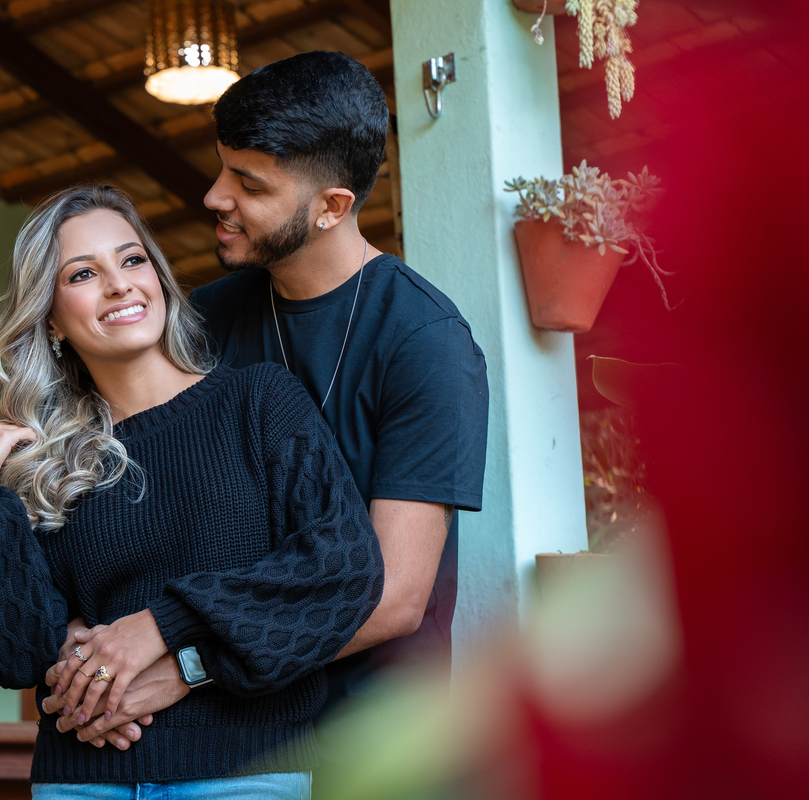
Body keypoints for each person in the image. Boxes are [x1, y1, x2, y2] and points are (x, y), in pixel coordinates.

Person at [51, 50, 489, 753]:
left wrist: (188, 665)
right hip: (220, 750)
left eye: (248, 183)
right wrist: (74, 628)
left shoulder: (425, 343)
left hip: (367, 750)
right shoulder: (198, 323)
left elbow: (395, 594)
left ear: (332, 207)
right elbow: (123, 494)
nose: (214, 196)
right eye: (223, 166)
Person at [0, 184, 385, 797]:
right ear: (51, 319)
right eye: (83, 273)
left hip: (245, 777)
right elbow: (9, 654)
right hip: (83, 783)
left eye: (133, 259)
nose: (119, 284)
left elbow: (343, 570)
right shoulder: (45, 465)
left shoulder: (258, 404)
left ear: (160, 280)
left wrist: (161, 626)